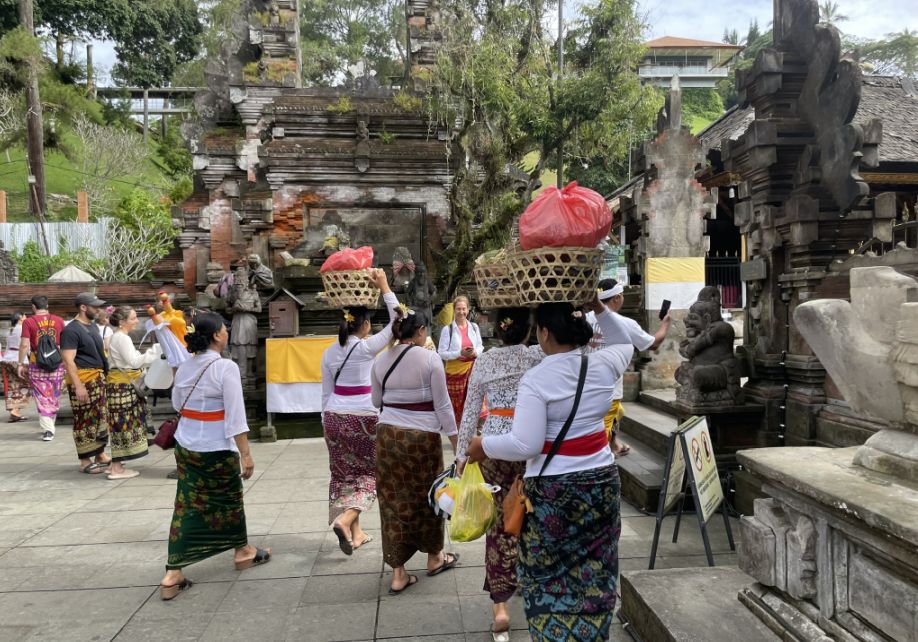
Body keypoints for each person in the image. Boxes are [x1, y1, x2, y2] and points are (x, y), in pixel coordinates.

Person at [467, 298, 635, 642]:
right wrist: (599, 307)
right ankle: (592, 631)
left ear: (544, 333)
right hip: (601, 480)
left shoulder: (537, 379)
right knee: (597, 561)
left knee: (548, 570)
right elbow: (625, 341)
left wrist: (484, 445)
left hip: (555, 489)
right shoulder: (603, 363)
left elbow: (525, 445)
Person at [159, 313, 271, 601]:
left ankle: (175, 571)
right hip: (216, 447)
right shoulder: (225, 367)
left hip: (187, 446)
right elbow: (235, 416)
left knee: (186, 506)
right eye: (225, 329)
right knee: (229, 501)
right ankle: (242, 552)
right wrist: (246, 454)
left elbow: (177, 403)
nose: (227, 333)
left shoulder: (185, 366)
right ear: (217, 336)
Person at [456, 307, 543, 641]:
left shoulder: (485, 361)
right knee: (530, 520)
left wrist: (462, 455)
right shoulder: (537, 356)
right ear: (530, 330)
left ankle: (501, 608)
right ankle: (533, 585)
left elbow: (469, 413)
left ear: (497, 330)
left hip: (492, 449)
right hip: (530, 449)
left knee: (499, 527)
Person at [372, 305, 460, 595]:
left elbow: (376, 401)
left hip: (388, 437)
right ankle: (435, 557)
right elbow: (443, 406)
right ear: (421, 330)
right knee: (428, 497)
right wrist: (456, 443)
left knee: (392, 500)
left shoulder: (381, 360)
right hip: (422, 439)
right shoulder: (430, 359)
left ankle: (398, 572)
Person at [320, 269, 397, 554]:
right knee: (370, 474)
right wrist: (385, 286)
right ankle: (346, 519)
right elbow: (398, 320)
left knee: (345, 474)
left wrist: (324, 423)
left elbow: (326, 394)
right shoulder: (366, 348)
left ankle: (356, 533)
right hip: (363, 417)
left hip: (333, 417)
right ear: (364, 325)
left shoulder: (329, 352)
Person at [587, 279, 671, 456]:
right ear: (617, 298)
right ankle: (603, 458)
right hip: (608, 389)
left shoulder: (585, 319)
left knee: (617, 413)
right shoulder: (625, 323)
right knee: (601, 434)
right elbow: (653, 344)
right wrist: (665, 324)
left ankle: (614, 444)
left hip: (584, 387)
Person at [60, 292, 112, 473]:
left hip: (97, 378)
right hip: (83, 379)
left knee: (101, 418)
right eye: (94, 307)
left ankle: (100, 454)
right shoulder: (71, 330)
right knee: (85, 420)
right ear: (83, 307)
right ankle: (85, 460)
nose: (98, 310)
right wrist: (78, 385)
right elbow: (68, 361)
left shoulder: (93, 326)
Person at [105, 306, 159, 480]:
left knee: (121, 424)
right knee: (122, 425)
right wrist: (156, 351)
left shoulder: (120, 337)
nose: (136, 321)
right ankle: (116, 468)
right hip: (122, 387)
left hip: (119, 386)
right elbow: (134, 361)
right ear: (122, 322)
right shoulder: (122, 338)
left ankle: (115, 465)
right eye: (133, 318)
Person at [18, 296, 65, 442]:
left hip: (37, 363)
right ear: (47, 305)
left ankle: (48, 429)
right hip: (57, 362)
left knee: (41, 395)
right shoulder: (59, 320)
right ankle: (50, 425)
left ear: (33, 307)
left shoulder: (28, 322)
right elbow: (65, 343)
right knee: (54, 394)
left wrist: (20, 363)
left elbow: (24, 344)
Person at [437, 295, 484, 426]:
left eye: (464, 309)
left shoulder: (474, 327)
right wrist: (459, 353)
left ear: (468, 309)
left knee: (475, 400)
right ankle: (457, 432)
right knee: (456, 405)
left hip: (472, 369)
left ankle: (475, 428)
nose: (461, 312)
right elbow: (441, 353)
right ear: (454, 310)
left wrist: (475, 352)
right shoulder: (448, 330)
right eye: (458, 309)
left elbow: (480, 346)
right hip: (455, 372)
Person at [2, 313, 31, 423]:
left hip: (7, 359)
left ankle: (13, 412)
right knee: (27, 384)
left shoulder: (11, 330)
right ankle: (15, 410)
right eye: (24, 316)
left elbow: (7, 346)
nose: (26, 318)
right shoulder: (23, 328)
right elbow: (25, 345)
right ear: (20, 318)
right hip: (18, 358)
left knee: (13, 385)